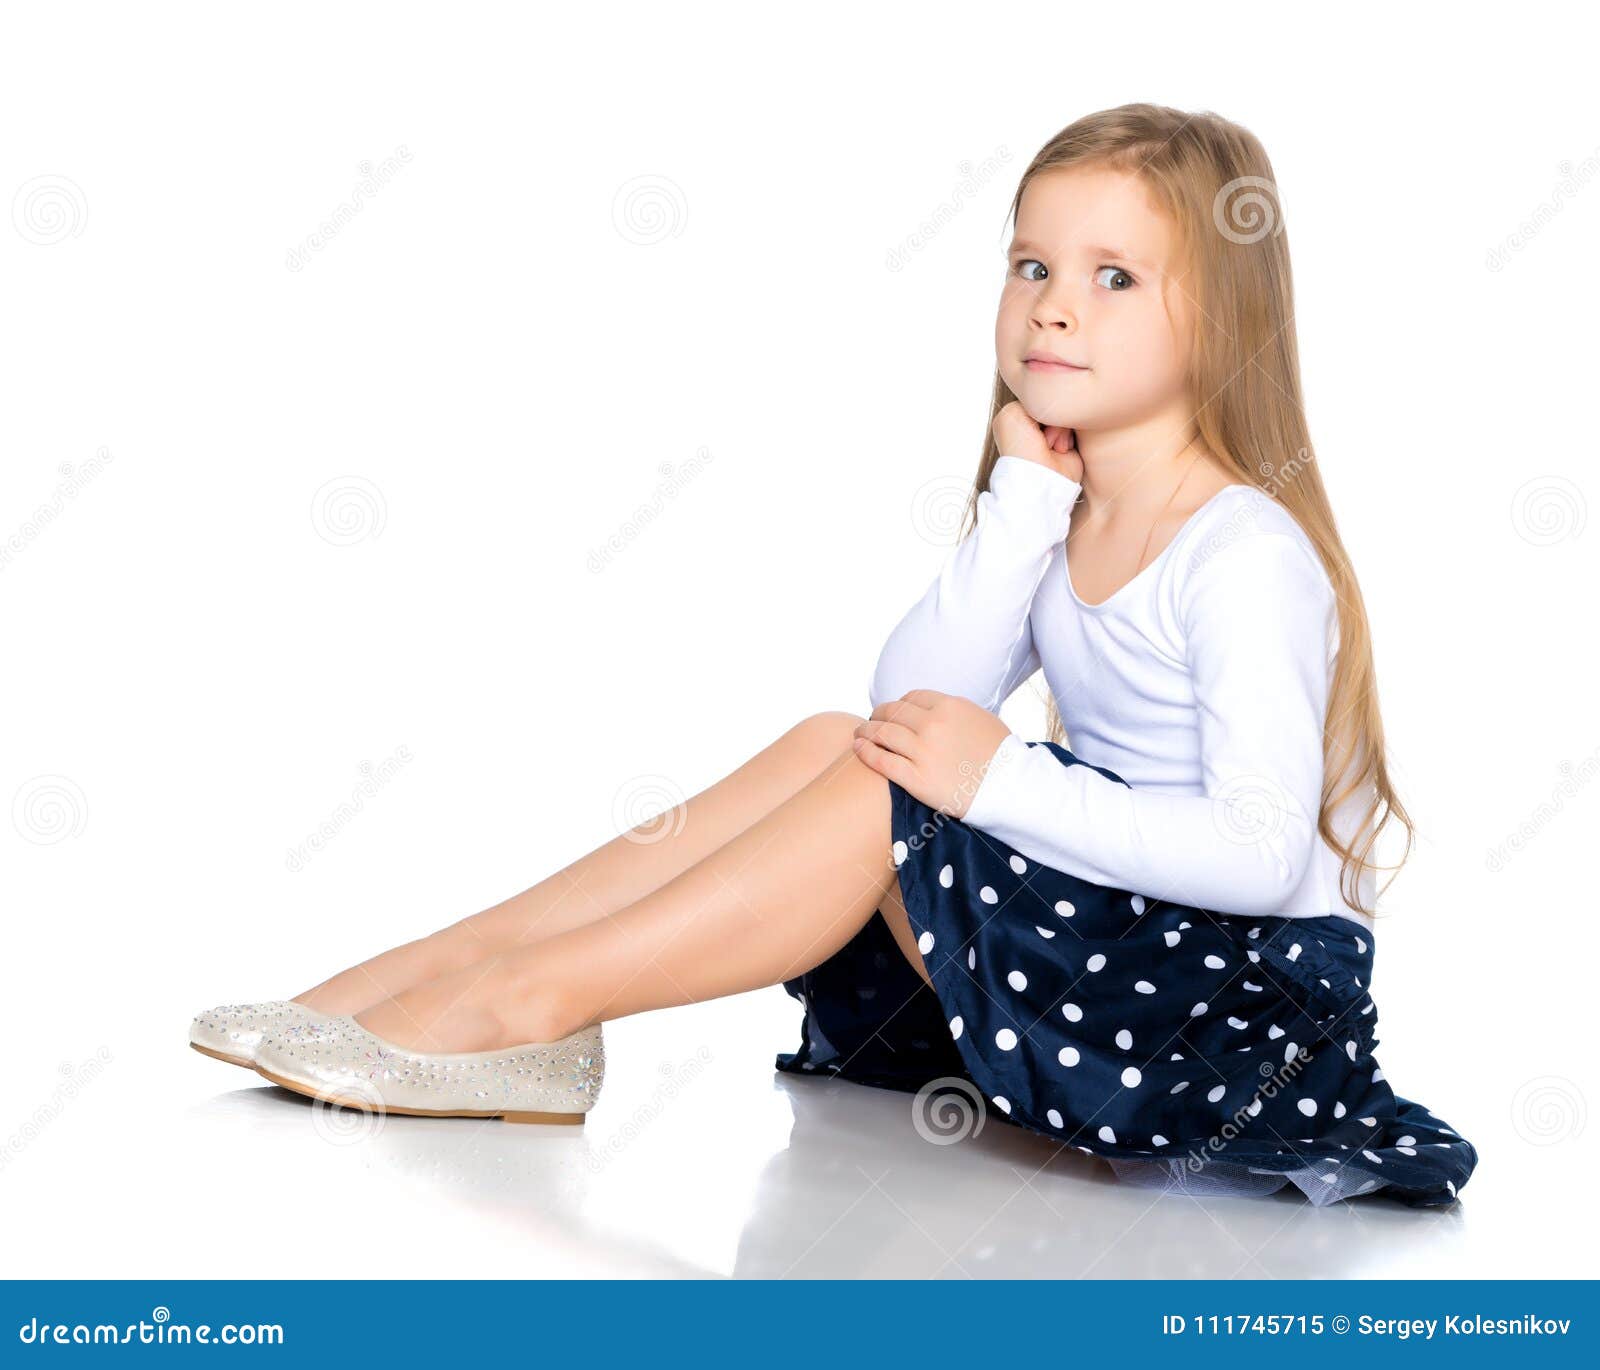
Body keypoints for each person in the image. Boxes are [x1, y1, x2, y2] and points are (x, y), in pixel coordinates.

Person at [189, 102, 1477, 1206]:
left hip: (1225, 1011)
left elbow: (1260, 855)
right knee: (842, 743)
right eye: (1029, 267)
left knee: (892, 778)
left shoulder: (1240, 551)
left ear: (1221, 318)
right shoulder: (1071, 505)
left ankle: (523, 1012)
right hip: (1111, 947)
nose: (1053, 310)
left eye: (1114, 278)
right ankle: (442, 973)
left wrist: (1004, 784)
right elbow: (912, 702)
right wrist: (1020, 507)